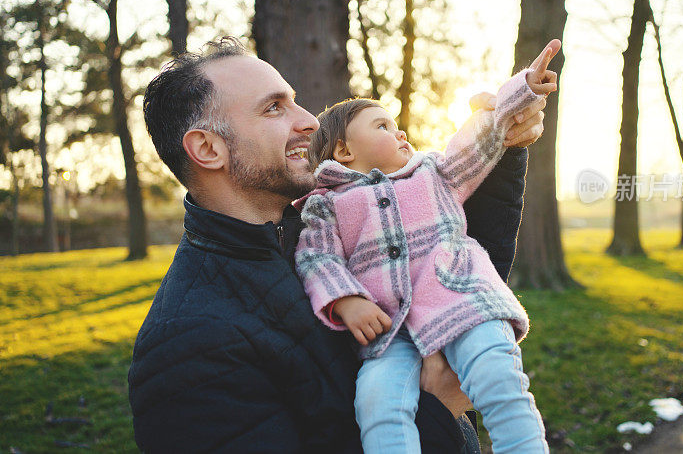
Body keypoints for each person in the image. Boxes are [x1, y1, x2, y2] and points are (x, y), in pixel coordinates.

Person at [127, 37, 548, 453]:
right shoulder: (183, 347)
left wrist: (506, 149)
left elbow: (452, 259)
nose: (310, 121)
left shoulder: (315, 225)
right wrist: (438, 407)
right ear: (208, 148)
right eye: (274, 107)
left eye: (295, 101)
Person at [293, 40, 559, 454]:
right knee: (377, 404)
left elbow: (480, 138)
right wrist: (346, 300)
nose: (399, 131)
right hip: (387, 328)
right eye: (382, 126)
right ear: (344, 150)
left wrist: (521, 89)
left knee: (499, 380)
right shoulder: (324, 206)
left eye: (396, 124)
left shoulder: (435, 173)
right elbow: (316, 257)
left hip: (463, 301)